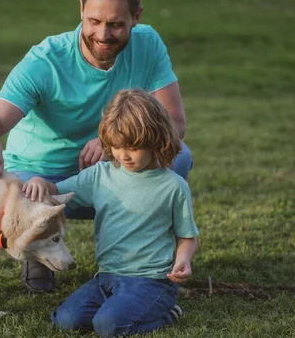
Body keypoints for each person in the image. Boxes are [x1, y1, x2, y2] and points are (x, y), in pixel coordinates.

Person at [0, 0, 193, 293]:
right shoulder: (46, 61)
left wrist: (111, 143)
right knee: (25, 190)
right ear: (81, 8)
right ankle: (38, 252)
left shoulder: (148, 43)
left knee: (179, 156)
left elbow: (176, 123)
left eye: (115, 25)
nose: (102, 34)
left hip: (110, 169)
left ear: (136, 17)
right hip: (41, 179)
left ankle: (145, 255)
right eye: (94, 21)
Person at [22, 89, 199, 337]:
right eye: (116, 147)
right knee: (66, 321)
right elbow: (56, 191)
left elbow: (187, 236)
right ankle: (119, 307)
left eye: (133, 148)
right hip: (106, 277)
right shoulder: (100, 175)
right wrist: (41, 182)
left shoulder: (173, 186)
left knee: (109, 326)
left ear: (156, 140)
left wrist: (183, 260)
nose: (123, 155)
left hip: (152, 281)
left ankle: (167, 314)